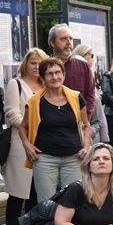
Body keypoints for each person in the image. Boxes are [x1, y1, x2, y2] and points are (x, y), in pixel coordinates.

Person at [20, 57, 91, 203]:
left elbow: (86, 125)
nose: (55, 77)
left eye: (58, 72)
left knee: (72, 201)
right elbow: (22, 127)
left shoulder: (76, 97)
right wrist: (27, 145)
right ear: (43, 78)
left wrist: (86, 147)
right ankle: (49, 220)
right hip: (44, 158)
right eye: (50, 74)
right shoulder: (34, 102)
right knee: (47, 203)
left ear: (64, 74)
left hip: (73, 157)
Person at [3, 48, 47, 225]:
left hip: (43, 146)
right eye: (33, 62)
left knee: (36, 197)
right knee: (16, 196)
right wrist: (31, 127)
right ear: (26, 64)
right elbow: (12, 113)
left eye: (40, 63)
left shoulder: (47, 86)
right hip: (20, 146)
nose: (36, 67)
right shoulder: (16, 84)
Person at [47, 24, 96, 119]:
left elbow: (90, 95)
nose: (69, 42)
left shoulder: (83, 66)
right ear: (52, 43)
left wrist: (84, 119)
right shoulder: (45, 67)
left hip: (78, 122)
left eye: (70, 39)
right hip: (51, 122)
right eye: (63, 39)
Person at [75, 43, 111, 144]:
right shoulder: (84, 76)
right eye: (92, 55)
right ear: (85, 56)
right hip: (88, 132)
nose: (93, 59)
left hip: (93, 131)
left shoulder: (91, 75)